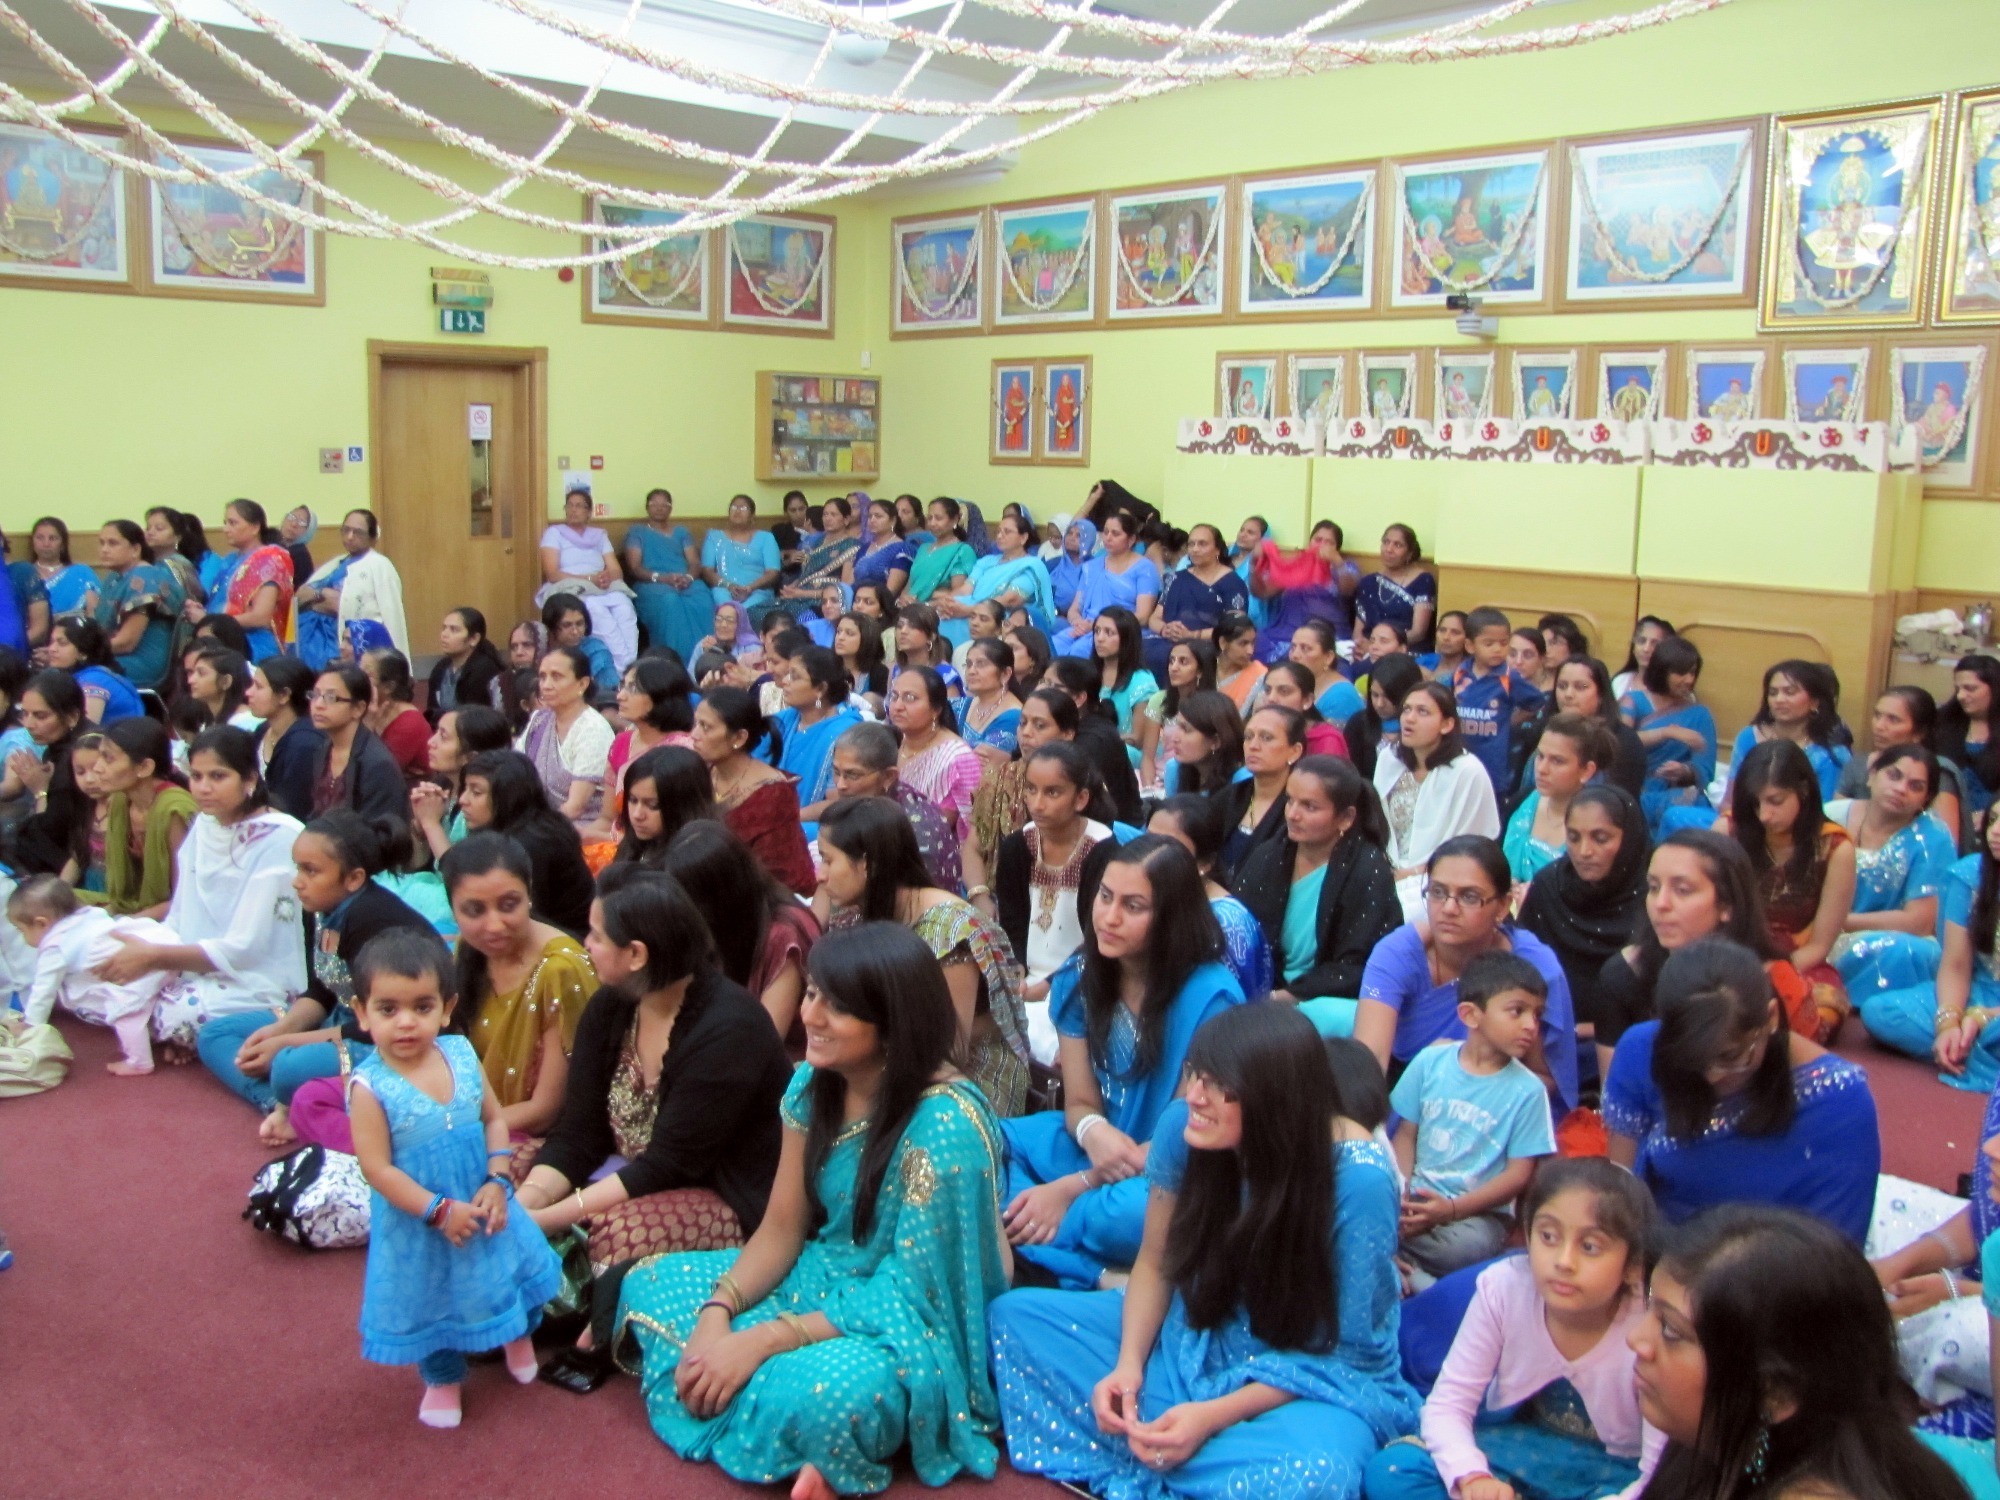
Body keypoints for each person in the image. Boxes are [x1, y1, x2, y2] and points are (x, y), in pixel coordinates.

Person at [611, 921, 1010, 1497]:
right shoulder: (812, 1084)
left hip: (914, 1310)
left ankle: (801, 1426)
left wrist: (764, 1339)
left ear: (893, 1025)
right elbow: (780, 1228)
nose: (810, 1017)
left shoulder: (943, 1125)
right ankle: (793, 1438)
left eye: (836, 1007)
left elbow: (918, 1291)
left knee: (837, 1395)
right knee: (649, 1282)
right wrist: (716, 1316)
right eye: (813, 993)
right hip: (827, 1274)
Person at [991, 1002, 1419, 1500]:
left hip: (1306, 1377)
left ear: (1275, 1099)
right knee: (1013, 1319)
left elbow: (1347, 1355)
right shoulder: (1183, 1128)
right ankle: (1176, 1455)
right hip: (1195, 1330)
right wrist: (1128, 1366)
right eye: (1196, 1075)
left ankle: (1159, 1452)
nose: (1195, 1096)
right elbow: (1156, 1262)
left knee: (1319, 1473)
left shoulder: (1360, 1183)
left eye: (1221, 1088)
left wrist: (1207, 1418)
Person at [997, 836, 1245, 1289]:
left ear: (1171, 917)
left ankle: (1041, 1245)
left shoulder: (1212, 998)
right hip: (1098, 1146)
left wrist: (1072, 1187)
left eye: (1133, 907)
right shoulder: (1080, 975)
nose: (1109, 917)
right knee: (990, 1140)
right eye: (1105, 897)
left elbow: (1184, 1135)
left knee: (1130, 1217)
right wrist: (1095, 1134)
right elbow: (1079, 1104)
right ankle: (1097, 1271)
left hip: (1167, 1169)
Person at [517, 864, 791, 1272]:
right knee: (509, 1168)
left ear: (636, 954)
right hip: (631, 1168)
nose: (585, 944)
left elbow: (670, 1165)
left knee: (619, 1232)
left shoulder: (730, 1028)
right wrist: (525, 1203)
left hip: (722, 1188)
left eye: (596, 935)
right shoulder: (610, 1006)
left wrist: (542, 1219)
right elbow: (579, 1132)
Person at [347, 926, 563, 1429]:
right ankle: (443, 1380)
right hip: (419, 1223)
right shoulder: (368, 1086)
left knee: (511, 1273)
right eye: (388, 1009)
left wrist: (498, 1179)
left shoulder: (461, 1054)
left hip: (484, 1198)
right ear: (361, 1014)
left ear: (447, 1008)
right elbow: (376, 1168)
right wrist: (438, 1211)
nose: (406, 1023)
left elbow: (493, 1118)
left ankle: (518, 1334)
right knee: (433, 1299)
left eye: (422, 1007)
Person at [1363, 1158, 1663, 1500]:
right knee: (1393, 1473)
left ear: (1633, 1265)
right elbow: (1449, 1404)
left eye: (1590, 1247)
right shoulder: (1504, 1288)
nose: (1564, 1261)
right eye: (1548, 1236)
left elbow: (1660, 1468)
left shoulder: (1651, 1323)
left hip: (1611, 1473)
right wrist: (1472, 1476)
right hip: (1517, 1449)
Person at [1628, 1204, 1975, 1500]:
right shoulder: (1718, 1435)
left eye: (1671, 1330)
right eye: (1649, 1308)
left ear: (1777, 1394)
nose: (1636, 1340)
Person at [1604, 937, 1878, 1241]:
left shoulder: (1840, 1102)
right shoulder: (1644, 1049)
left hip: (1774, 1271)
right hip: (1663, 1253)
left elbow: (1835, 1251)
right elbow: (1622, 1191)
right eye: (1693, 1061)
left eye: (1730, 1057)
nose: (1712, 1077)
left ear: (1771, 1018)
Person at [196, 810, 435, 1141]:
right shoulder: (322, 906)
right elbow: (322, 989)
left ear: (353, 878)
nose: (297, 881)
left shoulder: (371, 918)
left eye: (310, 871)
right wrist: (279, 1030)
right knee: (215, 1035)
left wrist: (287, 1042)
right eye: (298, 868)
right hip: (337, 1018)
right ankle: (285, 1105)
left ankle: (294, 1103)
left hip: (382, 1037)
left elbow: (379, 1022)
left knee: (287, 1067)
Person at [90, 726, 306, 1059]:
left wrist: (155, 958)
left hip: (257, 977)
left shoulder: (281, 837)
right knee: (96, 974)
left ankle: (225, 1029)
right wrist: (152, 954)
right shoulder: (206, 824)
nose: (204, 788)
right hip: (194, 962)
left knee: (171, 1011)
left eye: (218, 776)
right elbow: (182, 912)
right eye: (197, 776)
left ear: (249, 779)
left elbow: (247, 947)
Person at [818, 796, 1032, 1116]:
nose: (820, 875)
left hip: (964, 1081)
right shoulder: (855, 914)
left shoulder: (950, 930)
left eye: (827, 860)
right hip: (882, 1057)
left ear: (867, 864)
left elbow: (950, 1049)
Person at [1356, 836, 1580, 1111]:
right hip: (1410, 1096)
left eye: (1469, 896)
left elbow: (1548, 1080)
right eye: (1438, 892)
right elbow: (1370, 1064)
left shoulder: (1536, 968)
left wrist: (1465, 1076)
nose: (1448, 909)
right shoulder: (1398, 953)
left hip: (1507, 1106)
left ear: (1502, 906)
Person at [1390, 952, 1558, 1288]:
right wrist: (1401, 1194)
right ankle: (1405, 1263)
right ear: (1470, 1015)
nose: (1531, 1026)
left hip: (1477, 1214)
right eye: (1517, 1011)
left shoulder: (1528, 1091)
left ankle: (1399, 1261)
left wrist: (1451, 1210)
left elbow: (1518, 1174)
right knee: (1373, 1210)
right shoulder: (1429, 1062)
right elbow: (1406, 1135)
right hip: (1419, 1196)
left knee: (1468, 1248)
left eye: (1537, 1015)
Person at [437, 831, 597, 1136]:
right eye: (474, 910)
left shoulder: (561, 970)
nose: (494, 925)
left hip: (528, 1135)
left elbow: (545, 1111)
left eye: (509, 905)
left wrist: (445, 1130)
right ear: (453, 911)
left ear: (529, 894)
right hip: (475, 1116)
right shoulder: (470, 950)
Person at [1232, 757, 1400, 1034]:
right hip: (1263, 991)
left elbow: (1359, 966)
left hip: (1327, 1002)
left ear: (1345, 818)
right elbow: (1239, 931)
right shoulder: (1269, 856)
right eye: (1290, 801)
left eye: (1309, 806)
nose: (1292, 814)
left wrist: (1281, 999)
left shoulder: (1367, 870)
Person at [1729, 739, 1856, 1042]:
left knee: (1820, 1011)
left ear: (1804, 790)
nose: (1763, 816)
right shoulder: (1729, 833)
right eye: (1755, 803)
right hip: (1730, 952)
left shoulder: (1835, 848)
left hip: (1798, 959)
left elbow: (1819, 946)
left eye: (1775, 801)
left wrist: (1773, 971)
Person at [1869, 813, 2000, 1091]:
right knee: (1881, 1012)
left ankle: (1974, 1046)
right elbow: (1955, 965)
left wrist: (1983, 1017)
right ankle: (1967, 1045)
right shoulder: (1970, 876)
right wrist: (1948, 1023)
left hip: (1989, 1012)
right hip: (1978, 993)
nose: (1996, 831)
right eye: (1993, 820)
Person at [993, 742, 1116, 1037]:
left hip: (1085, 981)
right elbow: (1012, 920)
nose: (1037, 804)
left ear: (1081, 798)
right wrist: (1017, 968)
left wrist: (1051, 983)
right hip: (1027, 979)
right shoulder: (1017, 847)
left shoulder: (1102, 851)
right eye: (1031, 789)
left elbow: (1098, 934)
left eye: (1052, 792)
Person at [1517, 786, 1650, 1058]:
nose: (1583, 851)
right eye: (1573, 837)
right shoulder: (1550, 886)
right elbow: (1520, 971)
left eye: (1601, 838)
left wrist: (1592, 1029)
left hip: (1629, 1044)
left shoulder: (1652, 900)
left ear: (1629, 839)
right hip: (1542, 1041)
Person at [661, 820, 819, 1040]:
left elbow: (765, 1041)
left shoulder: (782, 935)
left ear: (715, 898)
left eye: (687, 900)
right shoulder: (720, 927)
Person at [10, 874, 175, 1076]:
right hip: (165, 944)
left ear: (42, 923)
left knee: (126, 1012)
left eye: (21, 930)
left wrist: (31, 1024)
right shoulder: (89, 916)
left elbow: (43, 991)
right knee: (158, 1001)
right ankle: (175, 1039)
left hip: (140, 967)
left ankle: (139, 1062)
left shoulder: (55, 947)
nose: (22, 937)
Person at [1374, 683, 1502, 920]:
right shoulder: (1388, 759)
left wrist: (1411, 873)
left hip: (1441, 880)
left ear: (1447, 724)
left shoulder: (1468, 771)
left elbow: (1472, 846)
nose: (1409, 719)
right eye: (1406, 710)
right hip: (1385, 868)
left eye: (1422, 712)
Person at [683, 687, 811, 898]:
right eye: (696, 724)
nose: (694, 735)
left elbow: (779, 877)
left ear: (739, 737)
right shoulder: (702, 773)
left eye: (706, 727)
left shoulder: (773, 794)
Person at [452, 749, 594, 938]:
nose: (463, 800)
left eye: (476, 792)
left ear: (506, 797)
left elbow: (527, 920)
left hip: (566, 942)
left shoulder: (532, 844)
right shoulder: (518, 828)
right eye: (465, 789)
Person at [1149, 793, 1272, 1004]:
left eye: (1169, 847)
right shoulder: (1147, 895)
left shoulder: (1226, 923)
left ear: (1205, 863)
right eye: (1147, 839)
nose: (1150, 853)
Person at [76, 717, 194, 919]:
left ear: (144, 768)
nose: (97, 768)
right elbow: (122, 899)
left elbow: (184, 899)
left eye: (108, 759)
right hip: (129, 909)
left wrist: (123, 924)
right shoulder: (120, 802)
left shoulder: (174, 812)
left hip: (168, 920)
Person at [828, 721, 963, 894]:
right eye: (837, 772)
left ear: (889, 776)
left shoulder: (916, 829)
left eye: (852, 775)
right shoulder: (861, 805)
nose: (840, 785)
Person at [1841, 685, 1968, 851]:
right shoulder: (1858, 763)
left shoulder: (1938, 771)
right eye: (1877, 715)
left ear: (1919, 733)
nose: (1879, 726)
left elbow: (1946, 845)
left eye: (1893, 720)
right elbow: (1840, 817)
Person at [1512, 654, 1647, 805]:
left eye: (1580, 687)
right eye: (1562, 686)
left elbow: (1623, 804)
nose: (1568, 694)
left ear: (1601, 694)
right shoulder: (1540, 732)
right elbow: (1519, 792)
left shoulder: (1624, 742)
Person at [1717, 660, 1851, 810]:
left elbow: (1825, 812)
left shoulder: (1830, 753)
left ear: (1814, 702)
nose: (1779, 700)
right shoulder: (1749, 737)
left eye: (1790, 692)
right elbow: (1729, 802)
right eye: (1773, 693)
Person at [1619, 635, 1718, 833]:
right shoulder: (1633, 702)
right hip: (1633, 790)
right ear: (1662, 670)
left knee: (1690, 802)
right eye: (1681, 673)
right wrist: (1667, 732)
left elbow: (1705, 768)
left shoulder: (1699, 714)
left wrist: (1685, 771)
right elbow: (1621, 742)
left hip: (1672, 793)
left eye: (1692, 673)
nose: (1689, 680)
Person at [1503, 712, 1614, 885]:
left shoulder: (1598, 825)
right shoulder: (1522, 801)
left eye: (1557, 761)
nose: (1542, 769)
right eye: (1540, 756)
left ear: (1586, 771)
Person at [513, 644, 613, 829]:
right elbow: (515, 770)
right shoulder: (539, 720)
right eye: (542, 677)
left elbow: (575, 807)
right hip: (536, 823)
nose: (546, 685)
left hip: (577, 830)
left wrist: (532, 829)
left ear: (582, 684)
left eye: (556, 677)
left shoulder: (593, 729)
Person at [538, 488, 638, 671]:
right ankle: (622, 669)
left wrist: (607, 577)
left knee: (625, 607)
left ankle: (631, 665)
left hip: (601, 584)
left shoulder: (599, 535)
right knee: (596, 609)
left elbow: (616, 570)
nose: (573, 510)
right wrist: (589, 578)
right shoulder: (554, 533)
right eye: (570, 505)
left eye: (579, 506)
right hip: (571, 584)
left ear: (589, 512)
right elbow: (552, 573)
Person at [295, 509, 408, 669]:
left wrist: (320, 597)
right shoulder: (336, 563)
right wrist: (320, 597)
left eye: (358, 532)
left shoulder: (380, 566)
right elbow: (302, 595)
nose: (350, 536)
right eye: (346, 530)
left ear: (372, 537)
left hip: (348, 646)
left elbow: (390, 614)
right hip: (310, 643)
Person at [3, 669, 89, 876]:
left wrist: (40, 790)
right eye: (24, 714)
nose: (29, 725)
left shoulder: (80, 758)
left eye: (40, 716)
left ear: (72, 717)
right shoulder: (58, 746)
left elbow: (51, 834)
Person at [1450, 608, 1545, 796]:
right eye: (1489, 643)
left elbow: (1536, 702)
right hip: (1459, 757)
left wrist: (1510, 722)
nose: (1497, 649)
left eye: (1503, 643)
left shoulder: (1510, 678)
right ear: (1470, 646)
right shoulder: (1459, 674)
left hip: (1492, 766)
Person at [887, 666, 983, 843]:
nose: (898, 706)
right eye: (894, 696)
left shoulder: (957, 757)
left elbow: (971, 828)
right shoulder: (891, 742)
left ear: (936, 709)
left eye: (910, 698)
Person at [188, 499, 292, 662]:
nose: (225, 529)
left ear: (255, 527)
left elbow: (261, 617)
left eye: (233, 523)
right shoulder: (229, 561)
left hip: (253, 645)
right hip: (221, 639)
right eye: (225, 523)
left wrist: (209, 621)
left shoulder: (269, 560)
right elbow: (221, 604)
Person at [1047, 658, 1145, 829]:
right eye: (1043, 682)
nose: (1041, 690)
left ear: (1078, 698)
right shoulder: (1060, 724)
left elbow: (1074, 798)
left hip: (1115, 830)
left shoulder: (1094, 740)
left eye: (1052, 686)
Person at [306, 664, 411, 822]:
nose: (318, 705)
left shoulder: (377, 764)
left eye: (331, 698)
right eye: (315, 695)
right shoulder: (323, 750)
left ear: (358, 708)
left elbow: (379, 832)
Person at [1143, 524, 1248, 679]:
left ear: (1217, 549)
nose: (1195, 549)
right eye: (1191, 544)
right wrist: (1165, 629)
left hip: (1206, 644)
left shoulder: (1232, 583)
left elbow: (1234, 629)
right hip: (1167, 639)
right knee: (1137, 650)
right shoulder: (1176, 578)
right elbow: (1155, 617)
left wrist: (1192, 634)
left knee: (1176, 656)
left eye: (1202, 544)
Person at [1218, 703, 1308, 883]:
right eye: (1248, 737)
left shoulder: (1300, 809)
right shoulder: (1231, 796)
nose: (1253, 746)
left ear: (1295, 751)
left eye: (1266, 738)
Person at [410, 706, 511, 863]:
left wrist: (431, 824)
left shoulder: (485, 803)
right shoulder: (440, 787)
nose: (431, 742)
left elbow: (459, 876)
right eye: (436, 732)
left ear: (470, 756)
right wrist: (419, 825)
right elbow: (414, 866)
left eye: (443, 737)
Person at [623, 488, 713, 663]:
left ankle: (707, 658)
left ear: (670, 508)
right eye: (654, 503)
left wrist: (688, 578)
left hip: (685, 582)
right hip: (652, 583)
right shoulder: (637, 532)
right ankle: (675, 661)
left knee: (703, 598)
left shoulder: (681, 532)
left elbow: (694, 563)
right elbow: (635, 567)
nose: (659, 507)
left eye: (664, 504)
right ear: (647, 507)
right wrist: (663, 578)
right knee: (670, 602)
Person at [1252, 519, 1362, 663]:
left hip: (1327, 636)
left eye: (1329, 542)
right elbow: (1262, 593)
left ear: (1337, 548)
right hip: (1287, 635)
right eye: (1318, 540)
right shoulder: (1296, 565)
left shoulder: (1345, 567)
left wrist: (1337, 561)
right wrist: (1255, 565)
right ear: (1310, 542)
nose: (1322, 545)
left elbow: (1348, 590)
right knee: (1254, 643)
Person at [772, 646, 862, 820]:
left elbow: (838, 802)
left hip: (817, 824)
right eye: (788, 673)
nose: (785, 681)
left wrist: (786, 820)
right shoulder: (783, 721)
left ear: (820, 689)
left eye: (795, 676)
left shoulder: (845, 732)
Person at [91, 520, 182, 691]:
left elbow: (126, 643)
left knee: (75, 672)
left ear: (135, 549)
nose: (104, 549)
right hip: (113, 654)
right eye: (101, 543)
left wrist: (82, 653)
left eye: (113, 543)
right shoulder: (114, 577)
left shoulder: (143, 579)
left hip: (140, 661)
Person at [1054, 512, 1160, 659]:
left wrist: (1096, 626)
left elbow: (1142, 616)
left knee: (1081, 651)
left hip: (1120, 631)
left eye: (1115, 533)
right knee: (1054, 646)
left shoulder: (1144, 568)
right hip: (1085, 628)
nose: (1108, 538)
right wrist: (1078, 623)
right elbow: (1074, 609)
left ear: (1131, 539)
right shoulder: (1091, 567)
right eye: (1105, 532)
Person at [245, 655, 324, 822]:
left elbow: (294, 809)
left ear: (284, 695)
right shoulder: (263, 730)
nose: (248, 692)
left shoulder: (304, 746)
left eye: (258, 687)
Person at [962, 511, 1055, 639]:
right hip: (972, 610)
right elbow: (966, 589)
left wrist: (970, 611)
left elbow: (1011, 600)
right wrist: (948, 603)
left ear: (1023, 538)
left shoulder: (1031, 565)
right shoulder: (987, 561)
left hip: (1005, 619)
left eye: (1007, 532)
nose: (1000, 536)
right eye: (998, 531)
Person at [1137, 643, 1217, 791]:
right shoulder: (1160, 700)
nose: (1174, 668)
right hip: (1159, 777)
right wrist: (1149, 790)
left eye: (1183, 662)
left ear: (1200, 670)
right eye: (1171, 661)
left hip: (1196, 780)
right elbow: (1148, 757)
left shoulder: (1213, 706)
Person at [701, 493, 783, 627]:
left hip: (757, 590)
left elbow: (773, 572)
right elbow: (707, 570)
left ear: (752, 516)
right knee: (725, 608)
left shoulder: (766, 538)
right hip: (724, 589)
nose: (738, 511)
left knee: (747, 610)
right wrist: (729, 586)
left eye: (743, 508)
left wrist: (750, 588)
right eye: (734, 507)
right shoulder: (714, 537)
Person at [1354, 523, 1437, 652]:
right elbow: (1358, 632)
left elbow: (1418, 632)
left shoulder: (1423, 581)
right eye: (1386, 542)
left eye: (1398, 545)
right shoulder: (1368, 582)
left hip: (1405, 651)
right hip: (1369, 651)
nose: (1389, 549)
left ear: (1409, 553)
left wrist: (1383, 646)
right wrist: (1363, 647)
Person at [46, 616, 142, 725]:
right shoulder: (69, 676)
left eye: (62, 643)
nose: (52, 649)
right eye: (51, 642)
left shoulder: (94, 681)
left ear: (83, 653)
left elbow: (85, 732)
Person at [1941, 654, 2000, 822]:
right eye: (1958, 689)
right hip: (1947, 817)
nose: (1960, 696)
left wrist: (1988, 817)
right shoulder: (1943, 723)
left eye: (1970, 688)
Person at [424, 607, 507, 725]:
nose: (444, 635)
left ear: (474, 639)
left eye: (454, 630)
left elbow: (476, 721)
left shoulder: (484, 670)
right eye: (444, 628)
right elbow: (431, 712)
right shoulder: (440, 669)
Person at [1262, 658, 1354, 763]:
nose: (1271, 698)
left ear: (1307, 700)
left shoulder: (1326, 740)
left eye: (1284, 691)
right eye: (1267, 690)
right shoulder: (1258, 732)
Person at [360, 648, 430, 780]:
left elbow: (378, 774)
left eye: (366, 675)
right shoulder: (367, 710)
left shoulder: (410, 723)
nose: (358, 680)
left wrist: (367, 727)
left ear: (389, 687)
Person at [954, 639, 1023, 763]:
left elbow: (983, 767)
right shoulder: (962, 705)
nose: (971, 671)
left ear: (1006, 674)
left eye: (981, 664)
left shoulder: (1013, 716)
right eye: (969, 664)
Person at [542, 592, 619, 700]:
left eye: (579, 624)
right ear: (551, 627)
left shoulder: (596, 651)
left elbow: (610, 693)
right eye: (567, 625)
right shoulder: (540, 649)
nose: (575, 631)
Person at [1291, 619, 1366, 725]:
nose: (1295, 655)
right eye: (1293, 647)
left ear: (1328, 657)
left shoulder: (1342, 697)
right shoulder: (1298, 683)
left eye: (1305, 648)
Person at [27, 516, 99, 617]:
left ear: (63, 544)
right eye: (40, 538)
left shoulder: (82, 573)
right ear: (32, 542)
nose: (46, 544)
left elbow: (93, 613)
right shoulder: (23, 575)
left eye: (53, 538)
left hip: (75, 630)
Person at [845, 497, 914, 599]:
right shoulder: (864, 548)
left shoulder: (902, 549)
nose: (872, 520)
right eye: (869, 516)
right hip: (855, 602)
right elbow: (849, 585)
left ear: (893, 520)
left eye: (878, 516)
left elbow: (890, 591)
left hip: (881, 604)